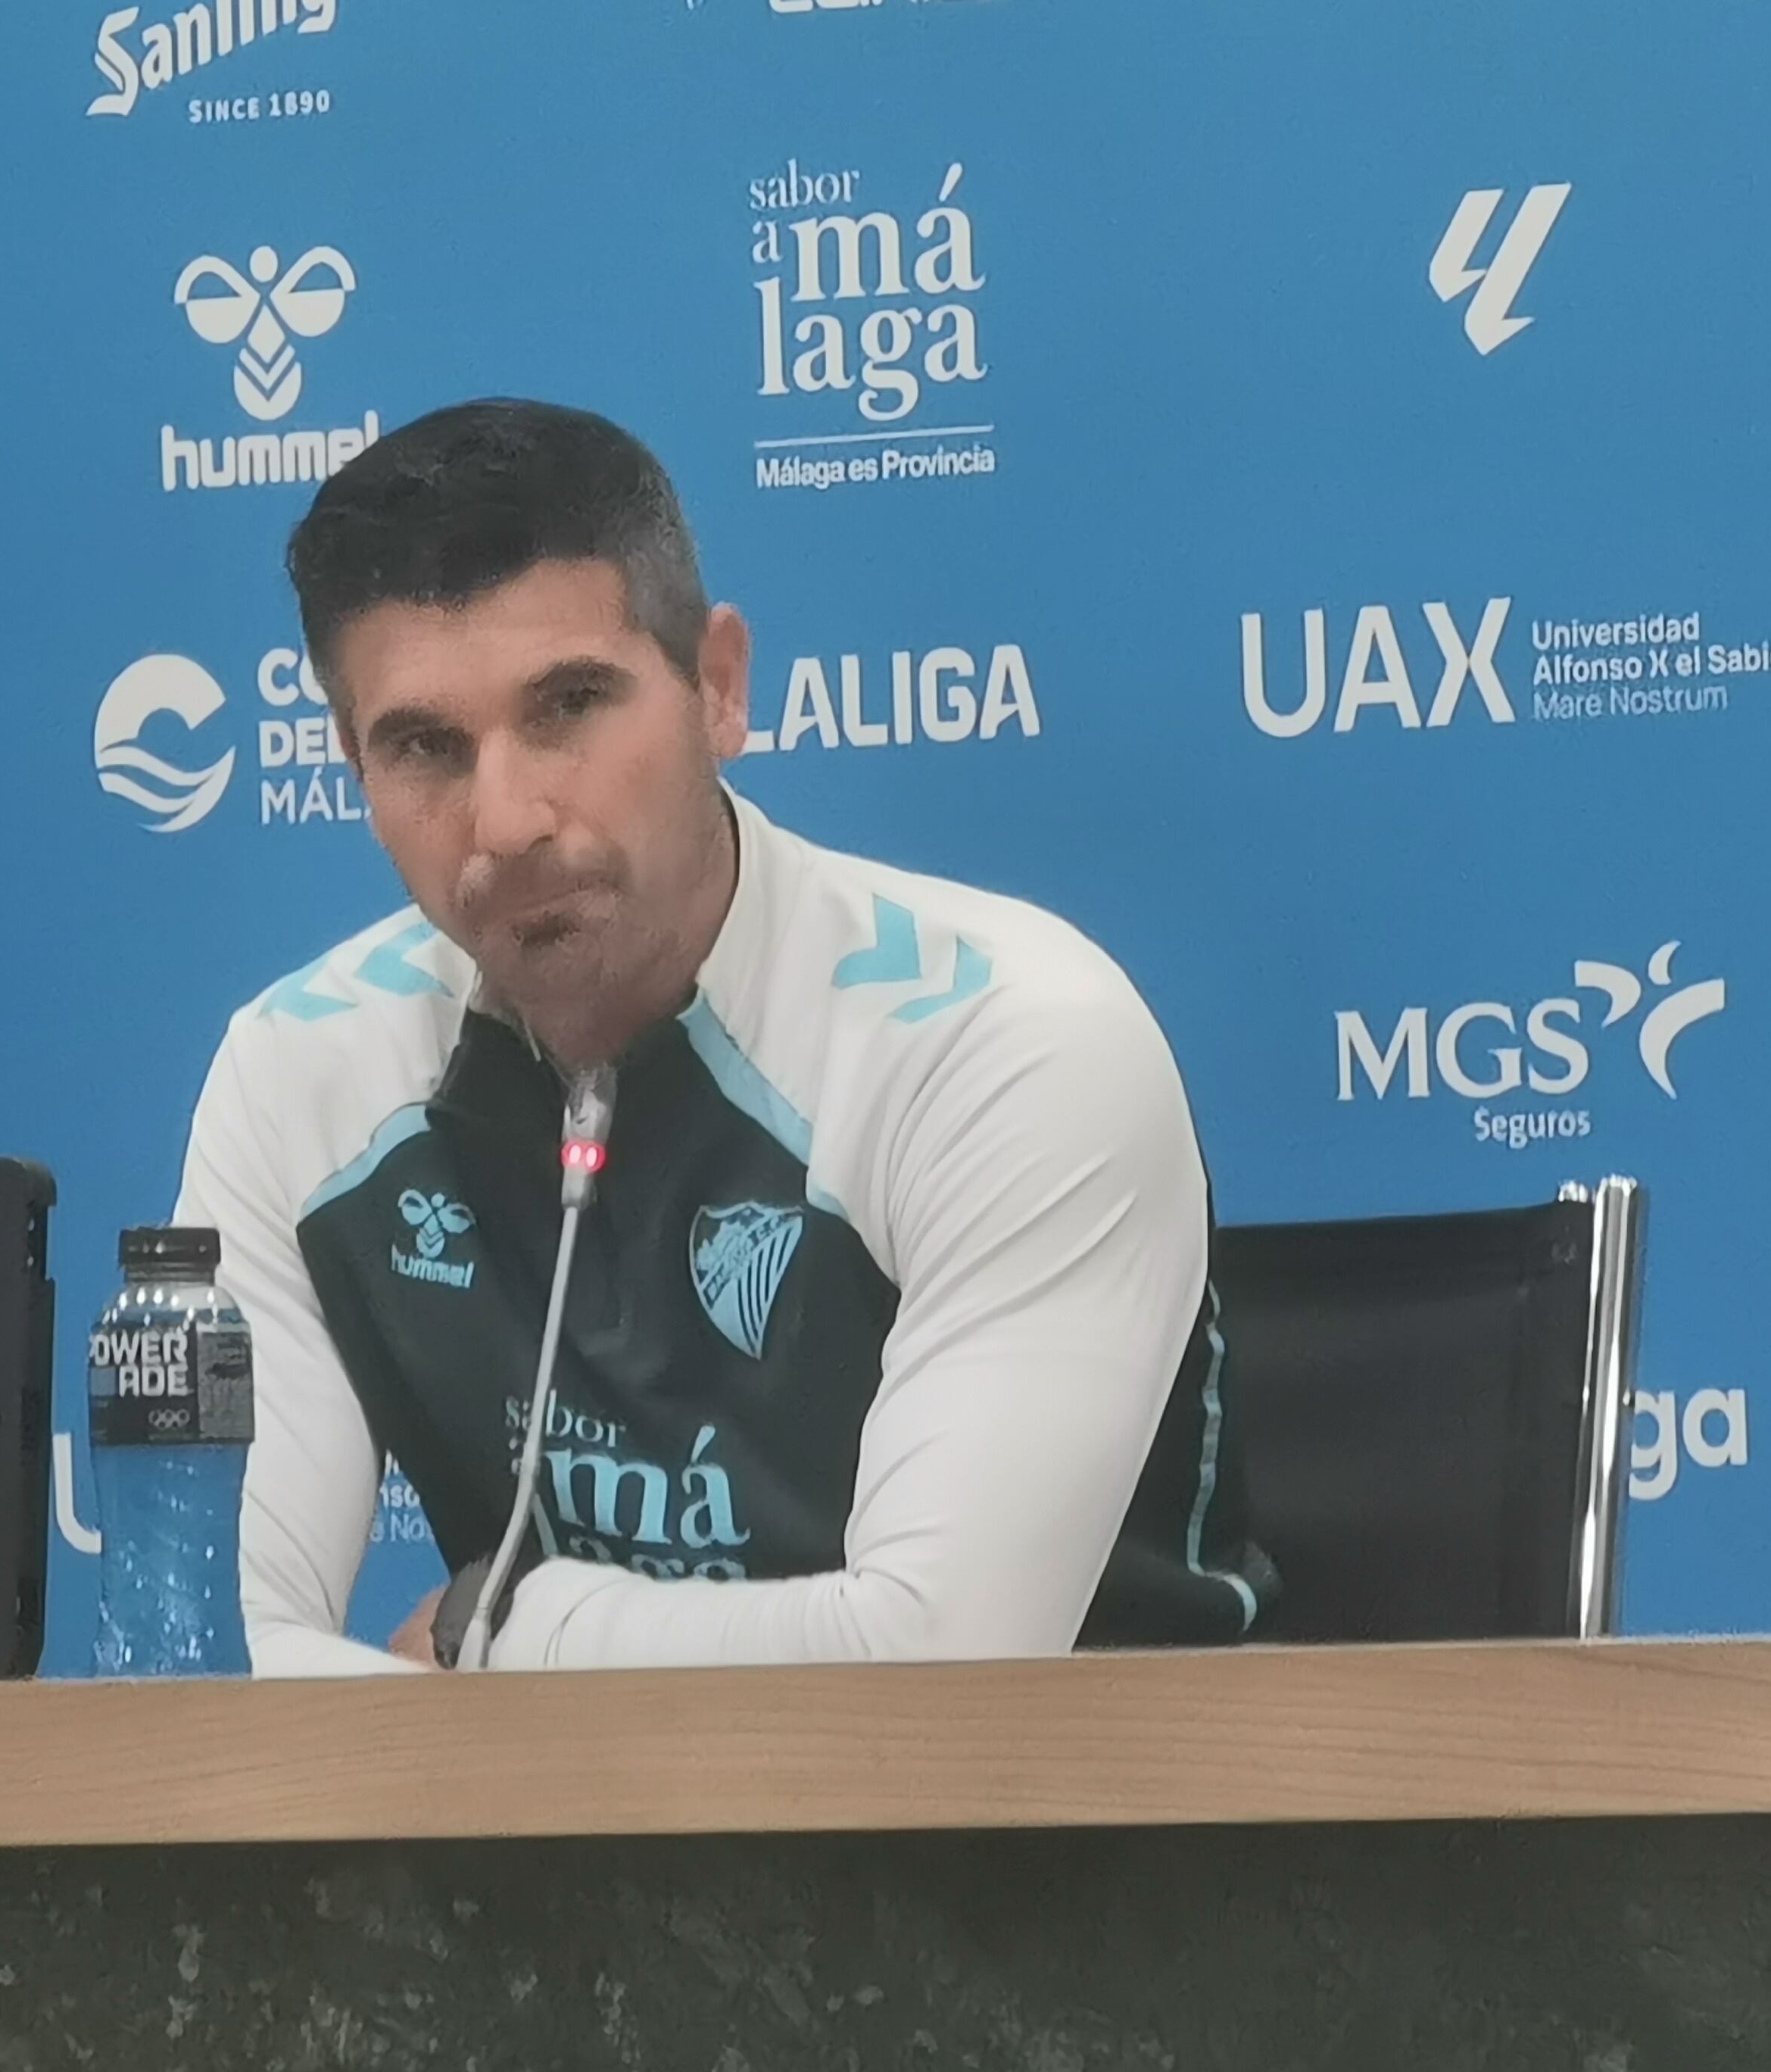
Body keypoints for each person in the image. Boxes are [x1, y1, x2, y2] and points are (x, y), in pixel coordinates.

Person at [171, 398, 1274, 1674]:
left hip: (1099, 1841)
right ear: (351, 768)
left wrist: (509, 1630)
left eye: (569, 706)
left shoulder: (1006, 1041)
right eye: (423, 746)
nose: (510, 819)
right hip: (559, 1856)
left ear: (719, 688)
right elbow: (202, 1658)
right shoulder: (300, 1073)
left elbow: (944, 1672)